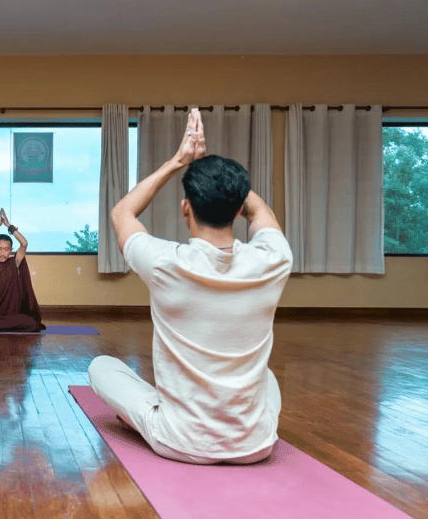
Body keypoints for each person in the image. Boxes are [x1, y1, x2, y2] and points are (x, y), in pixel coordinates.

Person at [88, 108, 293, 464]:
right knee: (267, 378)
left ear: (186, 208)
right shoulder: (274, 258)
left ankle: (159, 415)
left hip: (179, 442)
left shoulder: (165, 263)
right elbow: (263, 216)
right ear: (237, 206)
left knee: (100, 368)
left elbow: (122, 213)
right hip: (254, 446)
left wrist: (178, 161)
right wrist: (228, 183)